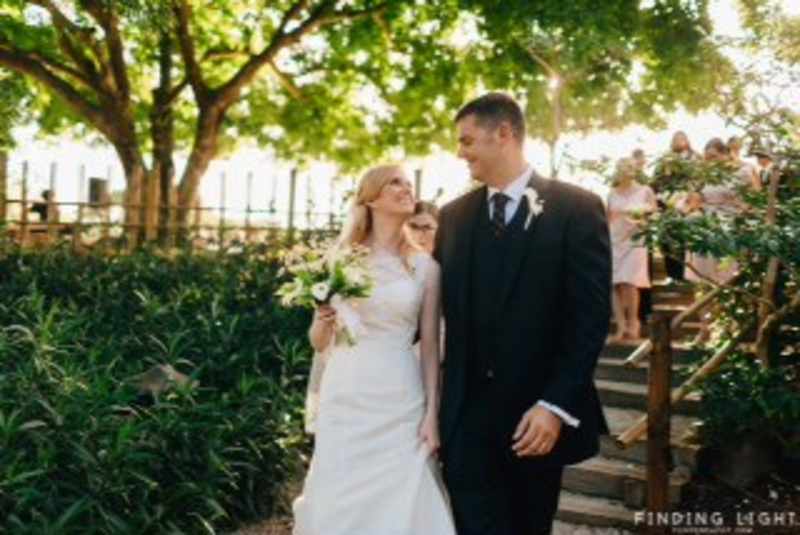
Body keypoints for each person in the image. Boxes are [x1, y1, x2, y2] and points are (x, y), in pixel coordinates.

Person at [435, 93, 611, 535]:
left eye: (467, 140)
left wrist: (554, 406)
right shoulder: (453, 218)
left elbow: (589, 319)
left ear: (504, 134)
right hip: (465, 422)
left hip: (534, 423)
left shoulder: (577, 209)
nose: (460, 152)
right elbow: (429, 311)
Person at [292, 164, 456, 535]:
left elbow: (431, 347)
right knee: (341, 488)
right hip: (346, 389)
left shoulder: (425, 268)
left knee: (404, 484)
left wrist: (432, 413)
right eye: (395, 182)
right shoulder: (340, 259)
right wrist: (323, 319)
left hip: (400, 391)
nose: (406, 188)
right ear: (371, 198)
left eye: (408, 183)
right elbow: (318, 342)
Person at [607, 158, 657, 340]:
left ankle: (633, 322)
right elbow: (607, 217)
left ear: (635, 170)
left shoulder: (645, 190)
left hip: (636, 240)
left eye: (629, 167)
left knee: (629, 281)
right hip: (615, 239)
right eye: (622, 167)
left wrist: (643, 218)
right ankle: (620, 325)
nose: (626, 170)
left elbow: (654, 213)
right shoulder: (612, 193)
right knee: (614, 283)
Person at [652, 131, 699, 282]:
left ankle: (687, 275)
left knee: (686, 240)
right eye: (676, 139)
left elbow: (699, 181)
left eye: (681, 139)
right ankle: (672, 275)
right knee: (666, 240)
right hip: (667, 205)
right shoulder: (665, 159)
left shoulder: (695, 158)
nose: (678, 141)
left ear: (687, 141)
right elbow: (656, 181)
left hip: (688, 205)